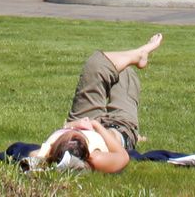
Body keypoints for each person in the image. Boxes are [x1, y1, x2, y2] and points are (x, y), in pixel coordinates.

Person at [25, 34, 164, 174]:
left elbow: (32, 157)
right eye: (76, 138)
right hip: (118, 128)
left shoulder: (48, 151)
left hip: (82, 119)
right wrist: (96, 126)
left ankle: (139, 54)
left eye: (70, 136)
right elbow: (123, 158)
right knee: (125, 74)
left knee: (97, 64)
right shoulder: (95, 158)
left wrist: (72, 126)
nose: (73, 136)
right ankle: (140, 54)